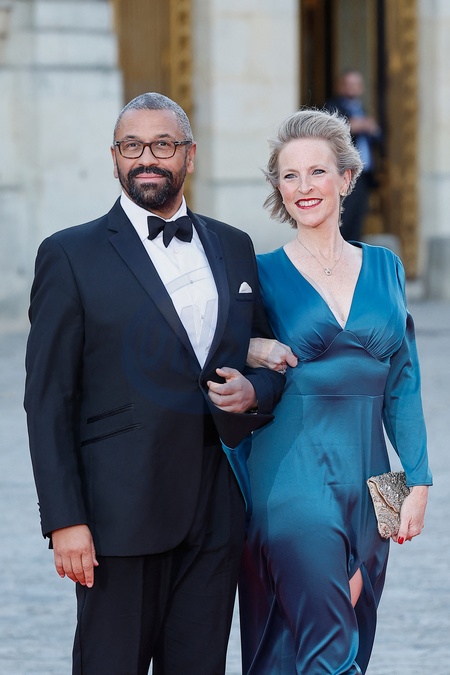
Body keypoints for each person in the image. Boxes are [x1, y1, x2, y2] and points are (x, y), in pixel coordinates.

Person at [24, 92, 285, 675]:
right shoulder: (68, 254)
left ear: (189, 155)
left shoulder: (234, 245)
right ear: (115, 157)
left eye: (163, 145)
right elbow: (47, 401)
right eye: (132, 145)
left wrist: (254, 392)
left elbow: (264, 361)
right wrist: (65, 519)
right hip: (117, 516)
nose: (147, 158)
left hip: (216, 512)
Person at [238, 108, 432, 674]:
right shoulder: (260, 273)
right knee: (330, 651)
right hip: (291, 479)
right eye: (290, 175)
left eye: (317, 171)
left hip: (374, 486)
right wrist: (252, 347)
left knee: (345, 637)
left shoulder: (387, 267)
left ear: (346, 178)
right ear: (278, 188)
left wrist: (418, 479)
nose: (304, 186)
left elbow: (403, 382)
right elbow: (209, 347)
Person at [324, 68, 381, 241]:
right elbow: (328, 134)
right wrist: (349, 127)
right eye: (348, 84)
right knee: (344, 219)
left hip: (363, 175)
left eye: (356, 84)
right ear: (340, 86)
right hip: (343, 173)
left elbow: (379, 138)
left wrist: (372, 129)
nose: (352, 88)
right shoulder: (332, 107)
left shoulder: (361, 109)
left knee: (358, 218)